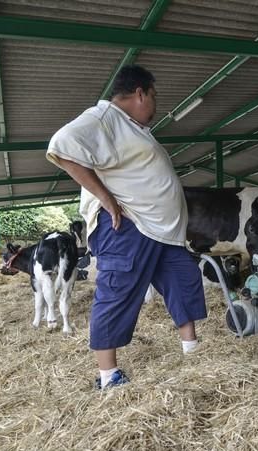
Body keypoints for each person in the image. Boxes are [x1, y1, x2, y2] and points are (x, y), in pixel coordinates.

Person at [46, 65, 206, 389]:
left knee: (184, 280)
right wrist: (105, 198)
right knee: (118, 291)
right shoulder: (104, 119)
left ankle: (193, 352)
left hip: (161, 232)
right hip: (129, 227)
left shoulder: (131, 128)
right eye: (154, 97)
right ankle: (109, 377)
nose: (155, 105)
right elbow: (62, 144)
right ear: (140, 93)